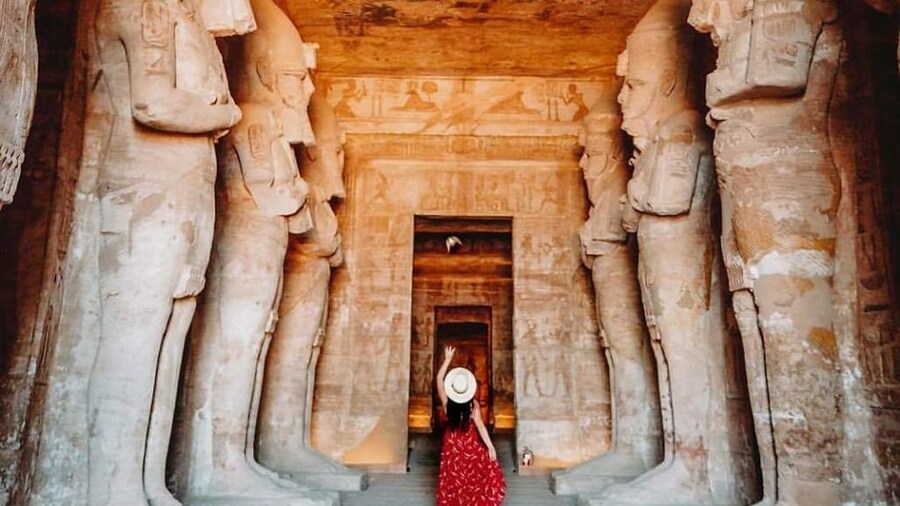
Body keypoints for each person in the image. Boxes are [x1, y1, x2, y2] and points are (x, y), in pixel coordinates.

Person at [435, 346, 506, 506]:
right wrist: (490, 447)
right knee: (472, 476)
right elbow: (480, 426)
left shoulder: (447, 404)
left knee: (453, 477)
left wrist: (447, 360)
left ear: (453, 388)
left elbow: (439, 379)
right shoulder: (473, 405)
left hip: (452, 444)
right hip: (468, 443)